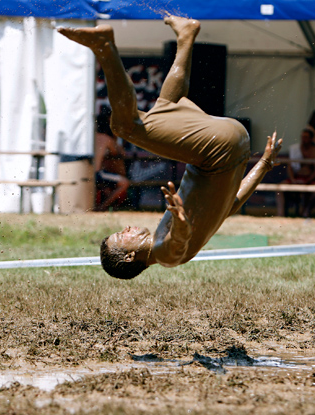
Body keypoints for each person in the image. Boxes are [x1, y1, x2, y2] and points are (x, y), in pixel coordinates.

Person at [58, 15, 282, 279]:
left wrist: (264, 163)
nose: (127, 227)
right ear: (130, 256)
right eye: (123, 235)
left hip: (233, 145)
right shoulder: (165, 255)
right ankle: (104, 48)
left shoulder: (184, 227)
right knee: (125, 127)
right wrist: (180, 221)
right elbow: (179, 243)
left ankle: (187, 35)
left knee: (168, 104)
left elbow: (232, 203)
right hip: (216, 151)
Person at [275, 128, 315, 217]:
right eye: (303, 137)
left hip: (309, 179)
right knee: (279, 188)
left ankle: (305, 211)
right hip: (295, 178)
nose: (304, 139)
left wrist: (307, 180)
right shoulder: (295, 149)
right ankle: (280, 213)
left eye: (306, 137)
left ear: (311, 139)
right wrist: (293, 179)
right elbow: (290, 167)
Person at [94, 109, 130, 211]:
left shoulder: (90, 137)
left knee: (106, 186)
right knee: (124, 182)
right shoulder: (106, 139)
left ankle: (103, 205)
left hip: (87, 173)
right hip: (97, 174)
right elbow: (119, 152)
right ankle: (103, 207)